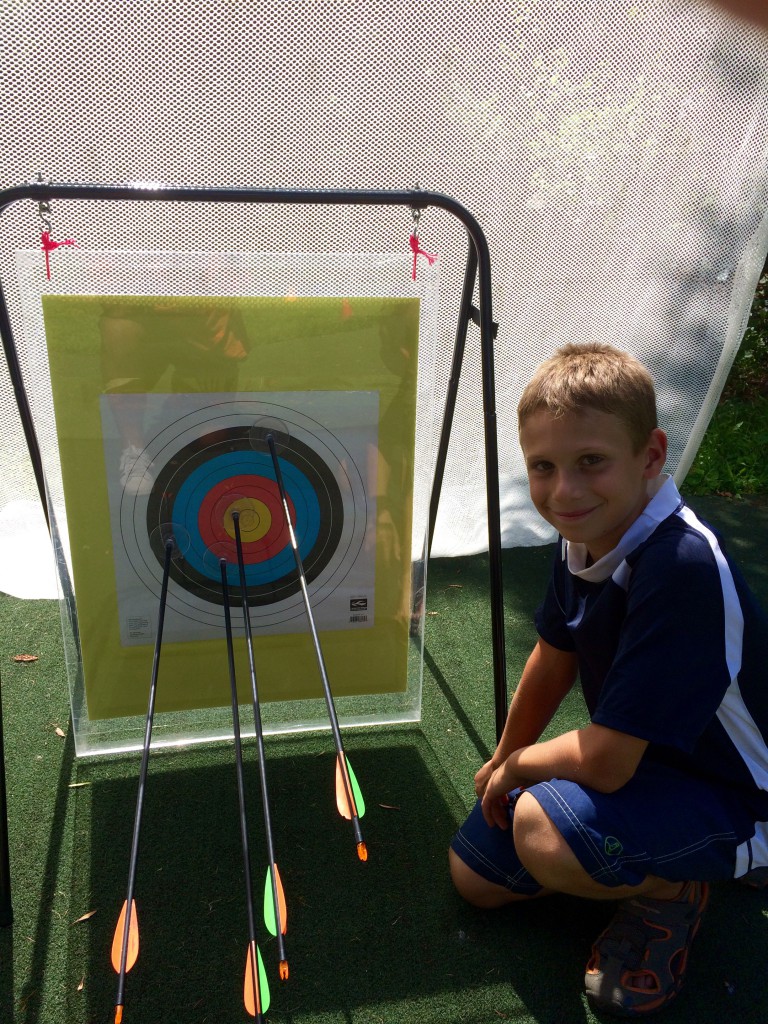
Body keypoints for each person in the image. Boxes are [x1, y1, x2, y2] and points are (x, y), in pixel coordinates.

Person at [449, 342, 768, 1016]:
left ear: (650, 457)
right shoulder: (586, 533)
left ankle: (675, 890)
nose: (563, 491)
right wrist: (508, 750)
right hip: (655, 760)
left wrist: (518, 772)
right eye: (544, 467)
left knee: (538, 825)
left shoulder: (679, 565)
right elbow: (554, 655)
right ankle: (624, 859)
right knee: (475, 876)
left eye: (591, 461)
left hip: (738, 794)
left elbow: (610, 761)